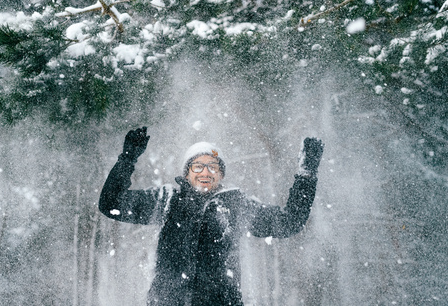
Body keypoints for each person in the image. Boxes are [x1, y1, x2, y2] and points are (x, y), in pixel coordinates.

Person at [99, 127, 324, 306]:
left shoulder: (235, 205)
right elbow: (110, 204)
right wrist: (127, 158)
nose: (205, 172)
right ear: (186, 173)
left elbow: (289, 222)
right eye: (197, 167)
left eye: (213, 167)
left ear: (221, 174)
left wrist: (307, 174)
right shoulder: (167, 199)